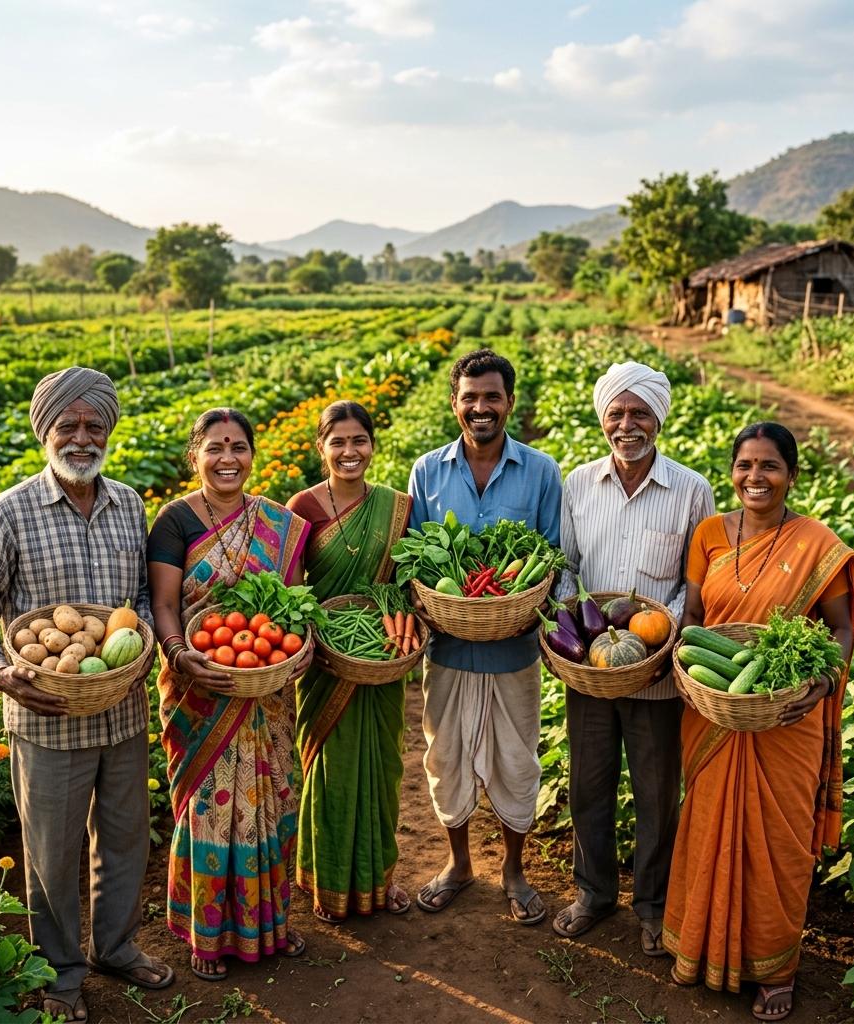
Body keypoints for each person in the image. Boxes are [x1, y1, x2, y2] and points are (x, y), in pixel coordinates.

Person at [0, 366, 173, 1024]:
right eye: (68, 425)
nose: (81, 436)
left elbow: (137, 599)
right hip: (44, 716)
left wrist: (145, 648)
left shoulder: (130, 504)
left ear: (109, 431)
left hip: (121, 710)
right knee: (50, 852)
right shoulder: (10, 510)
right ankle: (60, 974)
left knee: (126, 837)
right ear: (45, 431)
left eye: (93, 425)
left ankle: (114, 947)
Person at [664, 422, 854, 1022]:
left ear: (792, 475)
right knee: (706, 829)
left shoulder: (817, 543)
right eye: (744, 464)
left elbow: (841, 626)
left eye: (769, 466)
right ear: (732, 471)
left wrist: (824, 682)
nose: (755, 477)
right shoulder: (709, 535)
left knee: (779, 844)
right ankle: (699, 948)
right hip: (715, 711)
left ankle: (776, 971)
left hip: (787, 718)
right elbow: (694, 615)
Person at [552, 360, 715, 957]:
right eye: (616, 413)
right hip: (592, 671)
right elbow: (566, 567)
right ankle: (593, 894)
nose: (627, 424)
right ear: (603, 420)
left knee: (654, 791)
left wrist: (662, 632)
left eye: (639, 413)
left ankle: (652, 904)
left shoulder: (692, 489)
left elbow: (694, 584)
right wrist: (578, 624)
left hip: (655, 671)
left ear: (658, 419)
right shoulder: (577, 484)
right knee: (589, 785)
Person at [147, 408, 311, 981]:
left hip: (265, 687)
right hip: (200, 688)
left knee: (272, 804)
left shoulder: (275, 523)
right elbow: (165, 604)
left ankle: (273, 924)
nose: (227, 459)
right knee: (209, 813)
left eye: (238, 447)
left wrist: (299, 647)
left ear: (252, 455)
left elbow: (291, 603)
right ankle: (206, 934)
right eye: (215, 447)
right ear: (195, 455)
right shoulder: (174, 521)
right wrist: (177, 650)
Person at [407, 348, 561, 925]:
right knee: (446, 758)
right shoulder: (428, 470)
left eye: (492, 397)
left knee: (516, 762)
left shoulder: (542, 471)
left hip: (514, 648)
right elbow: (418, 557)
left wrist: (523, 608)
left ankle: (514, 871)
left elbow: (550, 559)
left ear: (509, 403)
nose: (481, 408)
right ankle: (460, 865)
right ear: (454, 404)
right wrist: (436, 604)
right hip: (448, 646)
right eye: (470, 398)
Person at [288, 401, 414, 923]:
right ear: (321, 448)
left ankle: (379, 878)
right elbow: (291, 587)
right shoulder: (303, 507)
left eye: (358, 440)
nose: (349, 451)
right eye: (337, 442)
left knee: (383, 768)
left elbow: (406, 585)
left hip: (382, 655)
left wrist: (400, 625)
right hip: (326, 661)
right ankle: (328, 881)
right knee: (331, 770)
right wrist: (317, 637)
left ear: (372, 445)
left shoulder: (397, 507)